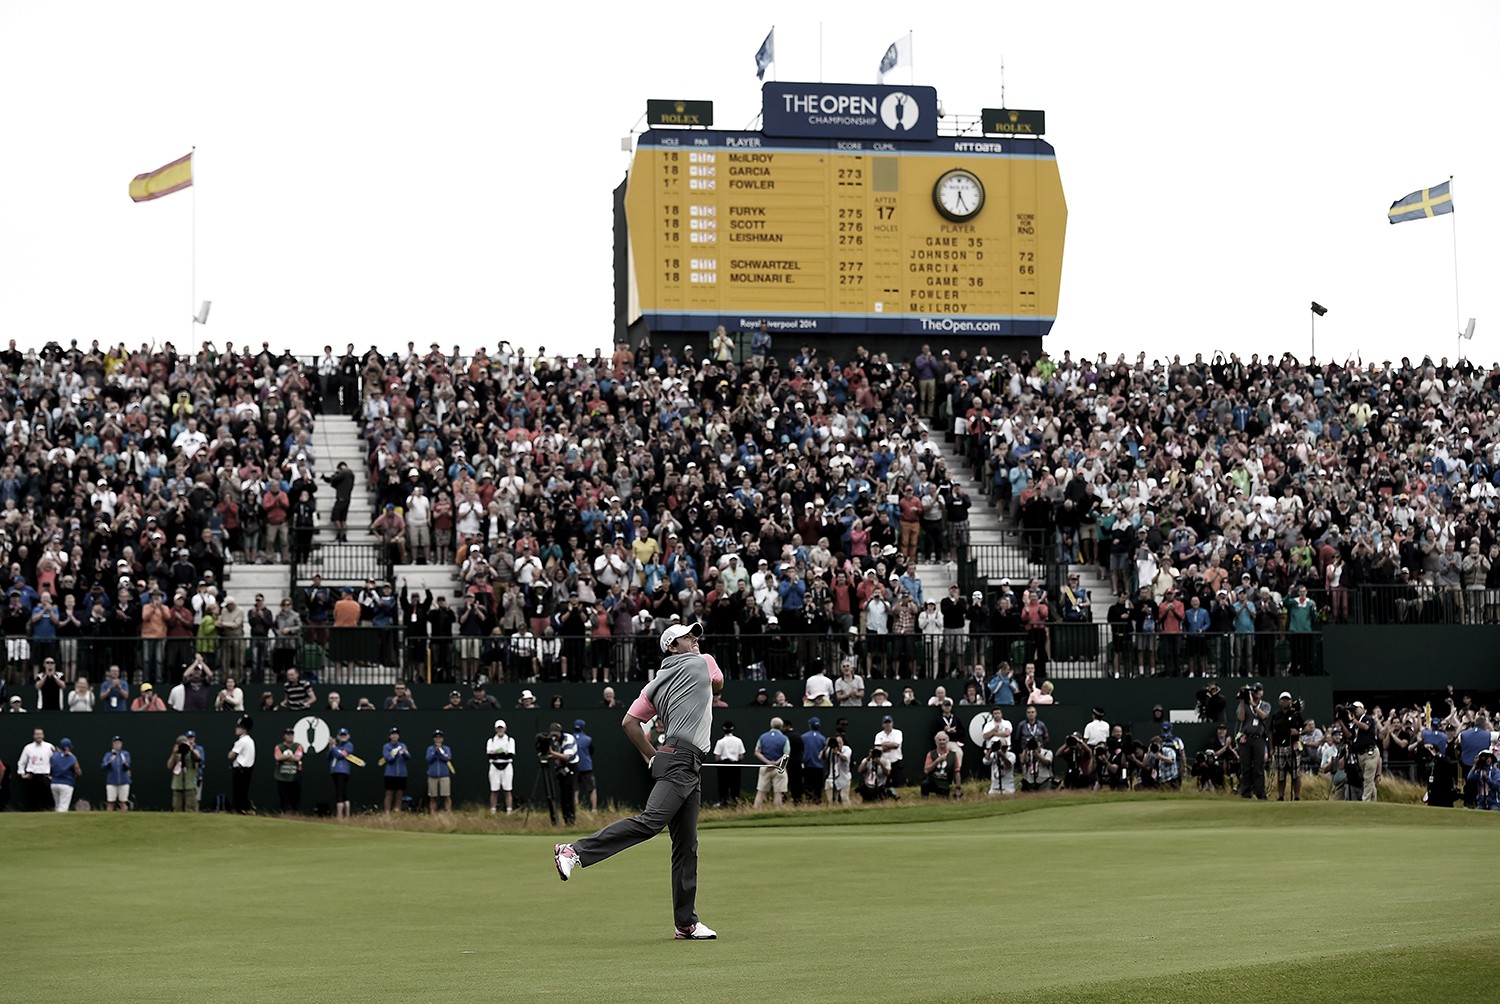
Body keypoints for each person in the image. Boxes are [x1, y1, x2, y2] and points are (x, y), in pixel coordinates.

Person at [552, 621, 720, 941]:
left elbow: (630, 722)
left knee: (686, 845)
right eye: (688, 637)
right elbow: (720, 684)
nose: (696, 640)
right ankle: (573, 851)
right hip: (681, 761)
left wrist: (653, 755)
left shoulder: (654, 684)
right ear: (671, 646)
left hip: (677, 759)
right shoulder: (703, 661)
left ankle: (686, 923)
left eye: (697, 636)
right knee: (650, 822)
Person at [1237, 683, 1270, 800]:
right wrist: (1242, 701)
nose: (1256, 693)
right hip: (1246, 738)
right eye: (1254, 691)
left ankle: (1260, 792)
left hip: (1258, 738)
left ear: (1262, 692)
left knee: (1258, 767)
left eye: (1258, 691)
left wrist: (1253, 704)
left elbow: (1263, 716)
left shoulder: (1265, 705)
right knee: (1245, 766)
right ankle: (1245, 791)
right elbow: (1240, 718)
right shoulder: (1245, 705)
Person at [543, 722, 579, 824]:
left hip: (570, 768)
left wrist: (551, 753)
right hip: (561, 768)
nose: (554, 737)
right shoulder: (555, 742)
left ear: (560, 732)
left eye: (556, 734)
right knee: (563, 796)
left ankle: (570, 819)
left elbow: (567, 756)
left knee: (568, 795)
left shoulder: (568, 739)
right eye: (552, 734)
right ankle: (564, 818)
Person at [1270, 690, 1303, 801]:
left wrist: (1298, 732)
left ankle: (1297, 796)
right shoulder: (1276, 715)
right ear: (1280, 702)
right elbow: (1271, 732)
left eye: (1287, 699)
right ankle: (1281, 796)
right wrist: (1271, 748)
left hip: (1293, 746)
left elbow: (1303, 728)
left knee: (1295, 773)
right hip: (1279, 746)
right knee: (1281, 773)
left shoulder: (1296, 714)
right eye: (1283, 699)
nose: (1285, 702)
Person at [752, 715, 790, 809]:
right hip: (779, 769)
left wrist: (768, 762)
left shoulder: (763, 737)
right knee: (778, 793)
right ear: (781, 726)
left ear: (771, 725)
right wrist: (776, 763)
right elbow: (786, 754)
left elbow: (757, 752)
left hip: (765, 767)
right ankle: (777, 812)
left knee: (761, 792)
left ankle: (755, 811)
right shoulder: (784, 738)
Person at [18, 727, 57, 811]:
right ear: (34, 736)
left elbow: (56, 761)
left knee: (48, 798)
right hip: (32, 776)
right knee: (32, 799)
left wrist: (53, 775)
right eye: (37, 734)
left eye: (40, 734)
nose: (38, 736)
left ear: (43, 735)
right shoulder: (28, 748)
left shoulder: (49, 747)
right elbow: (21, 762)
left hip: (45, 776)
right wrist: (22, 774)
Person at [712, 721, 746, 806]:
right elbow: (741, 756)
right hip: (735, 766)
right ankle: (735, 802)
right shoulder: (738, 741)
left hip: (723, 766)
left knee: (723, 786)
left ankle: (724, 802)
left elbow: (717, 757)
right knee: (735, 785)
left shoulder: (720, 742)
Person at [272, 725, 305, 814]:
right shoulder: (279, 746)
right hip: (281, 776)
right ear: (284, 736)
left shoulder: (298, 746)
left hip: (295, 776)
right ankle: (285, 813)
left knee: (295, 797)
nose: (290, 736)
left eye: (291, 734)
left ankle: (295, 813)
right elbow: (278, 757)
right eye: (288, 734)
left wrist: (285, 757)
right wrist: (290, 756)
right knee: (284, 797)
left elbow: (298, 758)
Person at [486, 719, 516, 814]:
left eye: (501, 728)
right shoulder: (491, 741)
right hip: (494, 767)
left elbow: (510, 755)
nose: (500, 730)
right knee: (494, 790)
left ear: (505, 729)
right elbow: (490, 755)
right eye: (498, 728)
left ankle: (509, 811)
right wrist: (502, 753)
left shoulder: (510, 740)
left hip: (507, 767)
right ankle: (493, 811)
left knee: (507, 789)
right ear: (495, 729)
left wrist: (497, 753)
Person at [920, 731, 961, 799]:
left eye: (944, 740)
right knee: (925, 784)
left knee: (943, 799)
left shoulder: (953, 755)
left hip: (945, 782)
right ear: (936, 742)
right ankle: (924, 801)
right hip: (933, 780)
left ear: (947, 741)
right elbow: (926, 770)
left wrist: (958, 788)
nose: (942, 742)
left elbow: (957, 772)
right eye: (940, 740)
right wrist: (937, 761)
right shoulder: (931, 754)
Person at [228, 715, 256, 813]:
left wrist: (231, 752)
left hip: (240, 770)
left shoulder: (241, 741)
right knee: (244, 792)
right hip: (248, 770)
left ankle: (240, 810)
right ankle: (246, 808)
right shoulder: (250, 740)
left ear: (244, 729)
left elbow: (231, 755)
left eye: (239, 727)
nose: (236, 729)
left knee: (238, 793)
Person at [327, 727, 355, 819]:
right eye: (341, 735)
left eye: (344, 735)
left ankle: (341, 815)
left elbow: (341, 755)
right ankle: (344, 815)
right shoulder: (337, 746)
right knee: (342, 792)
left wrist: (334, 747)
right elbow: (328, 757)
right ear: (338, 737)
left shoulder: (349, 745)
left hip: (343, 771)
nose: (343, 737)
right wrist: (331, 747)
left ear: (348, 736)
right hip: (334, 771)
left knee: (340, 792)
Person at [381, 726, 410, 814]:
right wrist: (396, 754)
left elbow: (408, 757)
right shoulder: (386, 746)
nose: (394, 736)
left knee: (399, 794)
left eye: (396, 734)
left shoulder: (403, 745)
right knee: (389, 794)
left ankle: (397, 811)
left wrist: (405, 753)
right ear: (390, 736)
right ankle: (387, 813)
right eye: (393, 735)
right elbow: (388, 759)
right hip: (390, 774)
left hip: (401, 774)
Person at [168, 733, 200, 812]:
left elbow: (198, 757)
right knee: (177, 807)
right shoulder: (176, 755)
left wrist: (190, 748)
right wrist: (174, 753)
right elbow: (169, 766)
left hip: (190, 784)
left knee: (190, 808)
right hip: (177, 784)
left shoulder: (192, 753)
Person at [425, 729, 454, 813]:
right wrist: (435, 752)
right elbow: (428, 758)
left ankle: (448, 812)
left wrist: (440, 752)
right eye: (436, 737)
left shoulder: (446, 748)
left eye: (440, 737)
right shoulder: (430, 749)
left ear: (442, 739)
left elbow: (448, 758)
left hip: (444, 775)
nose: (438, 739)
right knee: (432, 796)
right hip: (432, 775)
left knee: (446, 795)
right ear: (434, 739)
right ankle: (433, 813)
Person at [101, 736, 132, 811]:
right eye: (116, 743)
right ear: (113, 744)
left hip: (124, 781)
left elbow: (128, 767)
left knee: (123, 801)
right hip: (111, 782)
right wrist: (109, 763)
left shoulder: (125, 754)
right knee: (110, 802)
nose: (118, 745)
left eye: (119, 743)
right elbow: (103, 767)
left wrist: (125, 764)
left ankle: (124, 818)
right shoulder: (108, 755)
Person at [49, 737, 81, 811]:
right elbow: (78, 772)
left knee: (57, 806)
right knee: (63, 808)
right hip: (66, 785)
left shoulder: (54, 756)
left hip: (54, 784)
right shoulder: (72, 758)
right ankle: (59, 822)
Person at [573, 719, 597, 812]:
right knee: (592, 788)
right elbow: (592, 751)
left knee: (575, 789)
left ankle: (576, 809)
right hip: (586, 767)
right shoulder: (588, 739)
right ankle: (594, 809)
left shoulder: (571, 738)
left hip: (575, 766)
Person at [874, 715, 904, 788]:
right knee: (883, 785)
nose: (888, 724)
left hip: (895, 762)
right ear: (883, 725)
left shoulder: (898, 733)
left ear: (892, 723)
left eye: (889, 722)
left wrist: (883, 745)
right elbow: (877, 747)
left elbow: (896, 745)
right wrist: (889, 745)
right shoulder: (879, 735)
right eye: (886, 723)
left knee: (898, 785)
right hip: (884, 763)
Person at [823, 732, 852, 803]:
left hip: (844, 777)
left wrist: (837, 752)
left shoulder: (847, 749)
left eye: (840, 742)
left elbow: (844, 758)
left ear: (843, 742)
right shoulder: (830, 750)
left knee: (844, 797)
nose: (838, 744)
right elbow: (820, 757)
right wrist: (826, 746)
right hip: (832, 777)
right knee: (831, 799)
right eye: (837, 742)